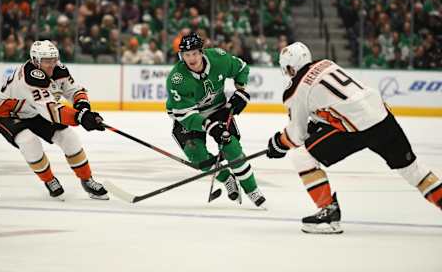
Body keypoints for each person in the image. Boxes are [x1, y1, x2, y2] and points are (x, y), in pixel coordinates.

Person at [266, 42, 442, 234]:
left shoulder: (295, 90)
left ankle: (329, 214)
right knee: (413, 170)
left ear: (290, 68)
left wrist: (278, 143)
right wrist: (318, 121)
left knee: (302, 155)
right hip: (382, 115)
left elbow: (296, 136)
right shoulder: (326, 64)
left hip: (357, 127)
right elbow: (338, 101)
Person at [0, 40, 108, 200]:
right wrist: (80, 117)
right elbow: (51, 110)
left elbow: (75, 90)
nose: (52, 64)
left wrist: (84, 109)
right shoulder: (30, 78)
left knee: (69, 138)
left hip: (34, 111)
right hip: (10, 113)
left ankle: (87, 180)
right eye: (47, 61)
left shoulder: (59, 69)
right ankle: (49, 180)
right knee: (29, 142)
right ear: (35, 61)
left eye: (54, 59)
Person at [166, 32, 266, 207]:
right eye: (187, 55)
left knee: (231, 147)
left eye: (195, 53)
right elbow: (184, 115)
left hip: (218, 109)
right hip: (190, 116)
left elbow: (242, 68)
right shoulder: (177, 79)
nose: (191, 59)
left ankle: (252, 190)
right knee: (197, 156)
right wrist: (208, 125)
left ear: (202, 52)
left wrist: (240, 90)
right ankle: (226, 178)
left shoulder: (219, 58)